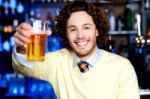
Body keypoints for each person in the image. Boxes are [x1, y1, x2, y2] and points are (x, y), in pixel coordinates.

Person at [12, 1, 140, 99]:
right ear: (66, 34)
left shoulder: (122, 67)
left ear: (97, 31)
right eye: (73, 29)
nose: (80, 35)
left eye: (86, 27)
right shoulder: (58, 61)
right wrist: (22, 46)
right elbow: (23, 66)